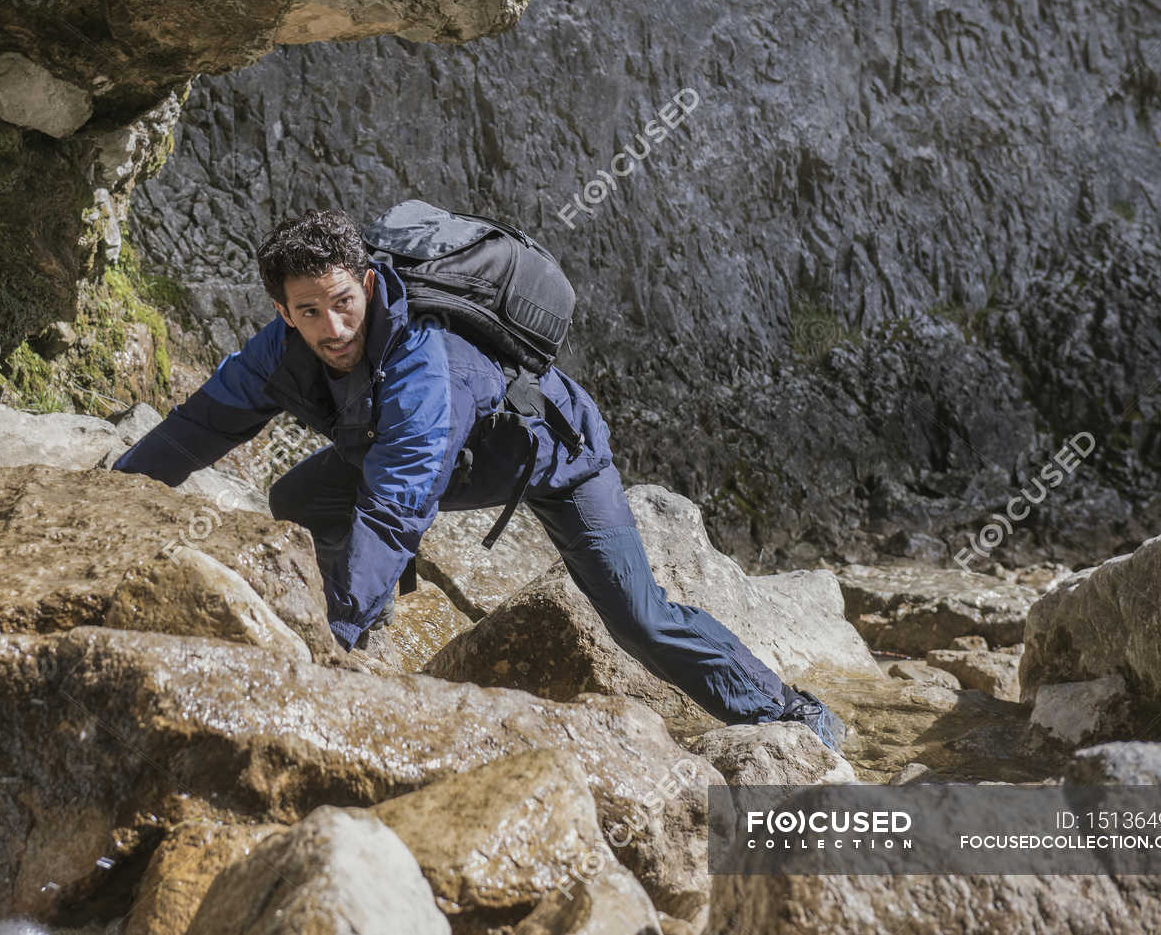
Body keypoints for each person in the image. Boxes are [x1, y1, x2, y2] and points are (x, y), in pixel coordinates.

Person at [111, 208, 846, 752]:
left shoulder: (429, 366)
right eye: (309, 311)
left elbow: (397, 508)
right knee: (297, 498)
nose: (332, 326)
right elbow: (199, 425)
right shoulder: (279, 349)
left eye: (344, 302)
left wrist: (325, 647)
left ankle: (792, 713)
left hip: (553, 459)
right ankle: (370, 621)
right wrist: (112, 496)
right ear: (282, 311)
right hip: (423, 457)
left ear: (368, 281)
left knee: (638, 619)